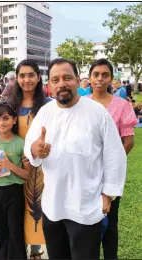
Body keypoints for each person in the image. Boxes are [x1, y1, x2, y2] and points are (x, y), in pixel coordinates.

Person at [24, 58, 127, 259]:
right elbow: (30, 146)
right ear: (49, 86)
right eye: (55, 79)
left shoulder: (97, 113)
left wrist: (108, 193)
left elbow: (114, 154)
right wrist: (35, 151)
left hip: (85, 205)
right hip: (53, 205)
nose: (61, 83)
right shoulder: (45, 112)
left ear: (78, 80)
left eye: (67, 77)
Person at [87, 58, 138, 260]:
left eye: (105, 75)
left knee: (110, 224)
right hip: (86, 173)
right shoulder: (82, 104)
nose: (100, 79)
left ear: (111, 79)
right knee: (86, 223)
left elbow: (129, 142)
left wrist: (111, 166)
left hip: (110, 175)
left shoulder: (122, 105)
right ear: (89, 78)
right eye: (96, 74)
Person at [8, 59, 50, 259]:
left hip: (42, 167)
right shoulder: (10, 105)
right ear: (17, 79)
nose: (26, 80)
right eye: (22, 75)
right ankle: (20, 247)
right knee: (18, 208)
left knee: (37, 205)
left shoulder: (48, 105)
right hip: (16, 166)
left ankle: (35, 249)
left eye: (31, 75)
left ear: (38, 77)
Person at [0, 102, 31, 260]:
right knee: (0, 230)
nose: (1, 123)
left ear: (14, 120)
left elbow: (27, 175)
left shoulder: (21, 144)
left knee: (15, 230)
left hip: (14, 192)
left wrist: (10, 166)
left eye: (5, 118)